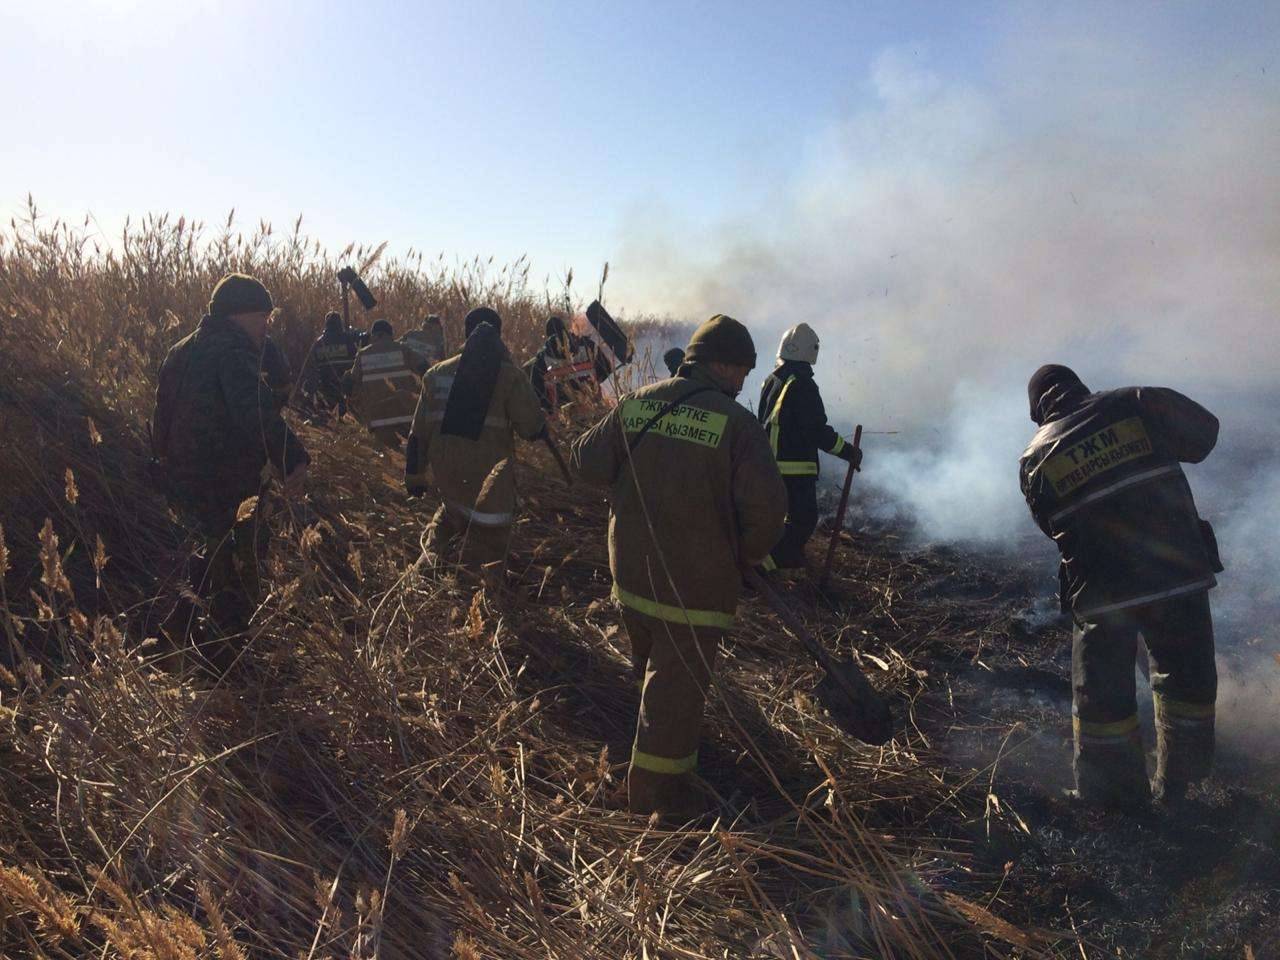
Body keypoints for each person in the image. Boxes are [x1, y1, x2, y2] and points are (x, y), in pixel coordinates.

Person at [571, 314, 786, 820]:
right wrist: (747, 556)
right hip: (693, 590)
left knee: (653, 677)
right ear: (720, 366)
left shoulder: (639, 402)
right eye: (741, 370)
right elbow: (768, 512)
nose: (743, 382)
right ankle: (655, 804)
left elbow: (586, 462)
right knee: (675, 697)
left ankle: (646, 763)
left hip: (633, 575)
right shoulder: (738, 426)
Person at [1020, 364, 1222, 811]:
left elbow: (1052, 526)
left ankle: (1114, 797)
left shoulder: (1035, 457)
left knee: (1102, 700)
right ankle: (1181, 786)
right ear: (1080, 389)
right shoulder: (1134, 402)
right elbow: (1204, 433)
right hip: (1177, 573)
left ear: (1039, 412)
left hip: (1103, 593)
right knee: (1184, 681)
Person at [151, 273, 309, 641]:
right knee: (241, 567)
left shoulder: (180, 350)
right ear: (240, 316)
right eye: (263, 319)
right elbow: (253, 411)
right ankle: (233, 652)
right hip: (227, 482)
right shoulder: (232, 350)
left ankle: (179, 635)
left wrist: (168, 466)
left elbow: (162, 417)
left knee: (205, 558)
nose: (266, 330)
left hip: (181, 480)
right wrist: (293, 459)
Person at [405, 307, 546, 574]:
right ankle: (479, 597)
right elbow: (531, 428)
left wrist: (414, 479)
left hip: (449, 487)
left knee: (446, 524)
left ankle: (424, 576)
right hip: (490, 498)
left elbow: (417, 435)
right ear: (499, 337)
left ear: (465, 335)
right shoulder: (509, 376)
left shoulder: (435, 375)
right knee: (487, 565)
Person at [757, 323, 861, 574]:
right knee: (802, 521)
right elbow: (816, 430)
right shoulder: (802, 383)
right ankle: (767, 567)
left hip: (768, 465)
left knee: (779, 520)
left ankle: (776, 563)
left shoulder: (772, 380)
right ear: (811, 351)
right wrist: (847, 451)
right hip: (794, 468)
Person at [344, 319, 429, 451]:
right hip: (405, 413)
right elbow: (425, 369)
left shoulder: (363, 354)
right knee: (416, 451)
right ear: (389, 334)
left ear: (375, 335)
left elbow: (352, 384)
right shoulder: (403, 349)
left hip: (378, 417)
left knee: (389, 459)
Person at [528, 315, 604, 411]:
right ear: (565, 329)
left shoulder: (542, 360)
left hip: (564, 417)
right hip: (595, 409)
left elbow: (536, 394)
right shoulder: (588, 346)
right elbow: (605, 372)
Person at [303, 311, 359, 414]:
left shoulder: (319, 343)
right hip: (347, 388)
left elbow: (311, 368)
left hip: (326, 388)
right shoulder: (348, 340)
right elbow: (356, 361)